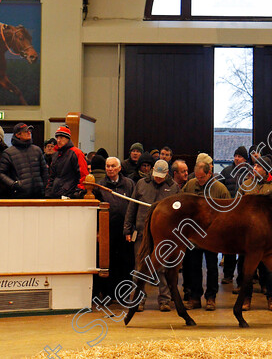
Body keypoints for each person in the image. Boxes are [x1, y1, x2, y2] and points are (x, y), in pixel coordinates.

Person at [124, 159, 179, 312]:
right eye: (156, 175)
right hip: (142, 233)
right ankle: (139, 300)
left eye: (161, 176)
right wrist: (128, 229)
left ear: (167, 173)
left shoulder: (173, 188)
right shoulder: (141, 184)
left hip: (163, 236)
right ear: (152, 170)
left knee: (162, 268)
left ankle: (165, 300)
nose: (158, 178)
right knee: (140, 267)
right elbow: (132, 207)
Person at [237, 156, 272, 312]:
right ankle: (246, 298)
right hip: (247, 237)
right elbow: (235, 207)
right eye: (254, 166)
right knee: (246, 270)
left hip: (268, 237)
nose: (254, 169)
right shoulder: (246, 185)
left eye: (258, 166)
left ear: (266, 170)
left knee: (269, 270)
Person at [182, 160, 230, 311]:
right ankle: (195, 297)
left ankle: (211, 297)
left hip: (213, 236)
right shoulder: (190, 185)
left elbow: (228, 211)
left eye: (202, 177)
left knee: (212, 267)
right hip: (194, 235)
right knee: (194, 266)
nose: (199, 180)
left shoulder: (220, 189)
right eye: (197, 177)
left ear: (210, 174)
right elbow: (181, 203)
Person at [90, 157, 135, 303]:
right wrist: (97, 231)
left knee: (125, 262)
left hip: (125, 231)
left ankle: (122, 295)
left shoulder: (129, 184)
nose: (110, 169)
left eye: (113, 166)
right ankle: (107, 294)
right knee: (107, 262)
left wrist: (131, 228)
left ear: (119, 168)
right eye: (107, 166)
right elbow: (94, 210)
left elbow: (133, 207)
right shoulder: (100, 186)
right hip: (106, 231)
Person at [0, 123, 48, 198]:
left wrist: (42, 185)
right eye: (26, 131)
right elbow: (1, 173)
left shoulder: (37, 150)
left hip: (39, 195)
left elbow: (44, 171)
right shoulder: (8, 153)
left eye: (29, 131)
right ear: (18, 135)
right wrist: (14, 184)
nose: (29, 133)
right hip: (19, 195)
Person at [45, 126, 89, 199]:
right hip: (55, 195)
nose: (58, 140)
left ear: (67, 139)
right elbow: (51, 176)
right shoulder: (55, 154)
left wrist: (78, 192)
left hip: (70, 195)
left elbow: (83, 175)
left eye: (61, 138)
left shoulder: (76, 153)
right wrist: (48, 192)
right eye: (57, 138)